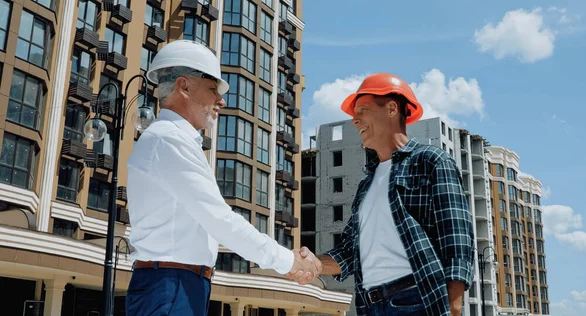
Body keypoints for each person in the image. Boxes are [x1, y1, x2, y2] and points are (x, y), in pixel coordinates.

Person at [125, 40, 321, 316]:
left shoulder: (172, 140)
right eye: (213, 88)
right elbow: (220, 220)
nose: (221, 100)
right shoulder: (169, 140)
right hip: (171, 286)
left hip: (176, 285)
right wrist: (288, 261)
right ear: (184, 86)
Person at [290, 73, 475, 316]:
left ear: (390, 108)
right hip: (370, 305)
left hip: (417, 299)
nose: (355, 121)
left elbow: (457, 238)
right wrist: (312, 262)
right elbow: (349, 254)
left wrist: (454, 305)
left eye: (362, 110)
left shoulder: (431, 161)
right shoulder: (366, 185)